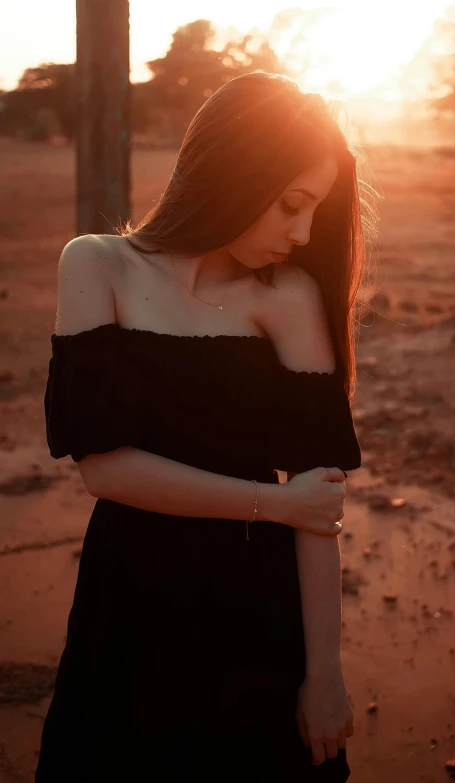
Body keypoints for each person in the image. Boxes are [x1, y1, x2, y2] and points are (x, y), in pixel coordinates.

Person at [35, 71, 369, 782]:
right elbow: (104, 468)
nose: (303, 233)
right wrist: (273, 503)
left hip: (257, 608)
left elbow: (319, 504)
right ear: (236, 169)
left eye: (315, 210)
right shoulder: (96, 265)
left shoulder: (289, 297)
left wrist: (326, 674)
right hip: (128, 608)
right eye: (292, 204)